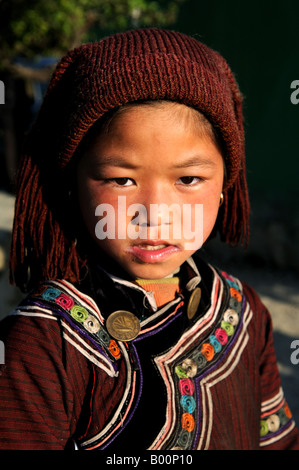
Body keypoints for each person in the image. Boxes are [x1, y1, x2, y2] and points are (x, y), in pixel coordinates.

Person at [0, 27, 298, 451]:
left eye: (189, 179)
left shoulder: (243, 311)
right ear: (74, 184)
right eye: (121, 179)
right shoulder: (43, 343)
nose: (155, 213)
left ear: (226, 184)